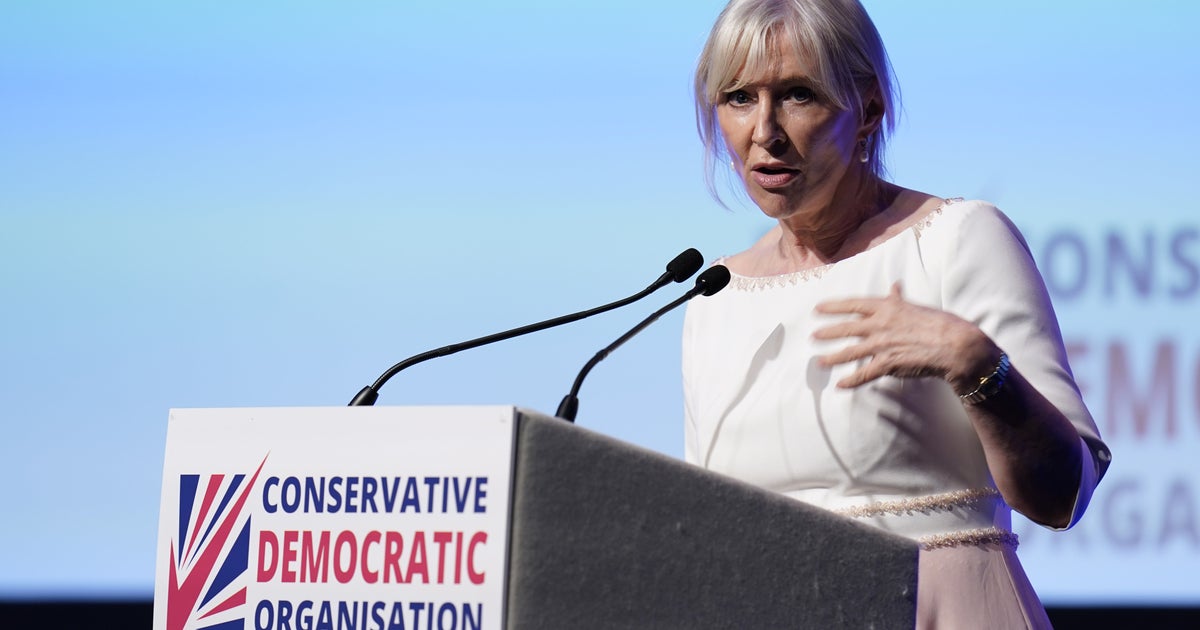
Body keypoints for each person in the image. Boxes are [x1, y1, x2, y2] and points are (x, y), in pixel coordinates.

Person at [681, 0, 1111, 627]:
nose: (764, 132)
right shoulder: (715, 293)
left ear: (868, 109)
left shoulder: (957, 240)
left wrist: (976, 364)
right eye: (739, 98)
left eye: (799, 95)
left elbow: (1063, 495)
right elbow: (702, 527)